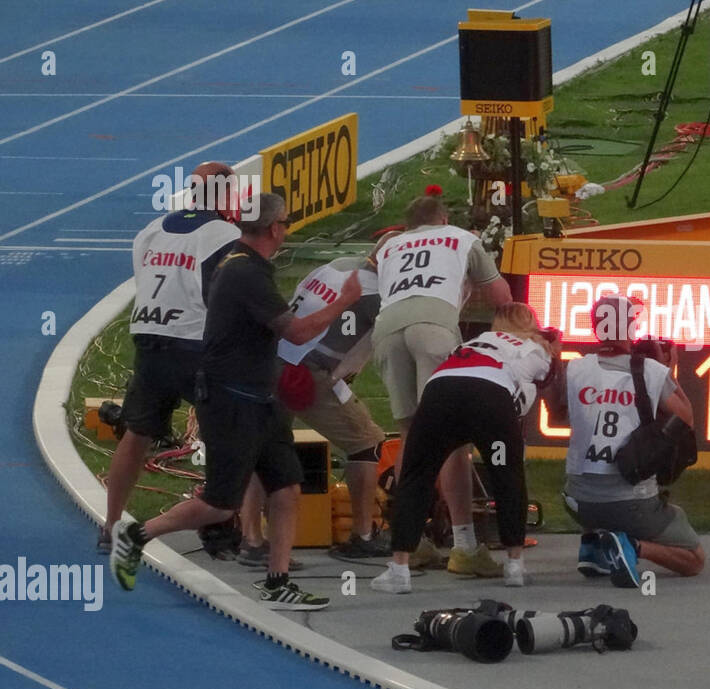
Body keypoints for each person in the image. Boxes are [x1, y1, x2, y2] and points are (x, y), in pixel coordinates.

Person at [109, 193, 362, 610]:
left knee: (286, 488)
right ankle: (136, 535)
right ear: (276, 228)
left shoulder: (247, 264)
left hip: (260, 398)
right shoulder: (244, 271)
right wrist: (344, 301)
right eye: (286, 223)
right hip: (232, 402)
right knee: (218, 503)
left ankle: (277, 581)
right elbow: (295, 332)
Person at [371, 303, 562, 593]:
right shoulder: (534, 346)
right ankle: (514, 565)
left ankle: (399, 568)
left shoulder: (475, 342)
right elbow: (552, 396)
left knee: (416, 476)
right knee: (507, 476)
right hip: (490, 396)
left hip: (440, 393)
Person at [100, 162, 242, 552]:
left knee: (136, 434)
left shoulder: (150, 230)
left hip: (148, 341)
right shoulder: (222, 234)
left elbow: (144, 282)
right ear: (227, 195)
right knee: (225, 432)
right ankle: (220, 521)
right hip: (194, 345)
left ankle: (110, 524)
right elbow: (225, 297)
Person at [371, 195, 512, 576]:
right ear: (444, 218)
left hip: (386, 330)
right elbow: (503, 299)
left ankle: (411, 541)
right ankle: (465, 547)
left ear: (409, 224)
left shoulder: (388, 245)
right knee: (452, 440)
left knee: (410, 434)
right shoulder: (461, 237)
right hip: (433, 326)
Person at [236, 238, 389, 569]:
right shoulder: (379, 294)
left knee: (262, 449)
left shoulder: (337, 265)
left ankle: (251, 539)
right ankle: (362, 537)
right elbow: (392, 339)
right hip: (306, 372)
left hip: (269, 359)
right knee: (367, 443)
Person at [551, 295, 706, 588]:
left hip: (576, 500)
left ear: (596, 328)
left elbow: (558, 413)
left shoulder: (574, 369)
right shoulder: (650, 371)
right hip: (629, 503)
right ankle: (632, 546)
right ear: (631, 328)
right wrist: (667, 371)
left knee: (591, 490)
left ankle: (593, 546)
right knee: (694, 559)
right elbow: (686, 420)